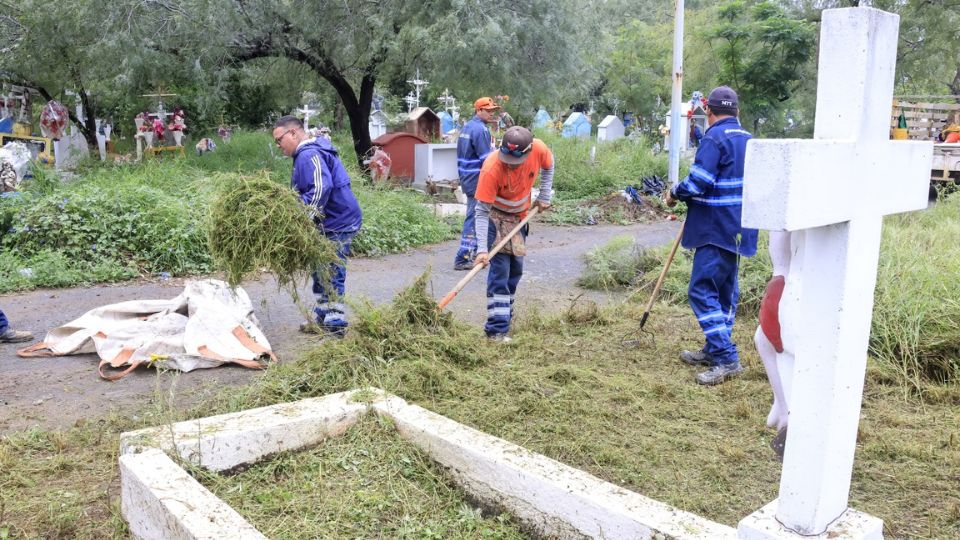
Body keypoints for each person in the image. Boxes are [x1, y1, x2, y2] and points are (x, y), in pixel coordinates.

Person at [665, 86, 758, 385]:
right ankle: (714, 347)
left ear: (709, 111)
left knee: (701, 290)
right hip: (740, 228)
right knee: (725, 292)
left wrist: (674, 194)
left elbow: (699, 181)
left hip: (715, 227)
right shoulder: (749, 140)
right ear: (737, 111)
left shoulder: (714, 138)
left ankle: (726, 356)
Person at [272, 116, 363, 337]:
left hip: (337, 220)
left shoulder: (309, 154)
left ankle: (335, 322)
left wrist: (303, 220)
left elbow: (321, 187)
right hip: (327, 221)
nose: (278, 145)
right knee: (319, 268)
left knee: (331, 269)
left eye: (279, 139)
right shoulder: (304, 155)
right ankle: (324, 316)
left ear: (293, 133)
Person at [473, 126, 554, 342]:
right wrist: (482, 250)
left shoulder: (539, 149)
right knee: (500, 273)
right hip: (495, 219)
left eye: (514, 160)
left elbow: (549, 165)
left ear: (528, 152)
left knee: (514, 272)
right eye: (506, 158)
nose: (509, 164)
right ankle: (497, 330)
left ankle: (505, 318)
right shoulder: (491, 168)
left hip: (519, 219)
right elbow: (480, 212)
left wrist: (544, 195)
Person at [454, 97, 500, 270]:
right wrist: (496, 154)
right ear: (478, 110)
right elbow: (486, 160)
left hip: (466, 177)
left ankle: (478, 252)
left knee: (476, 216)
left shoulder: (467, 127)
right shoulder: (480, 130)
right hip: (476, 180)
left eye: (492, 110)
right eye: (488, 111)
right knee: (474, 217)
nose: (491, 113)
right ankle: (463, 257)